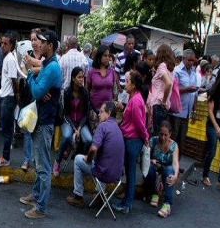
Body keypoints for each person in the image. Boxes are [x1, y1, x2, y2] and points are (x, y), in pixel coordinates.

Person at [18, 30, 62, 219]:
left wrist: (31, 76)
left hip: (44, 122)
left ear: (50, 45)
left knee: (43, 167)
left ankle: (41, 207)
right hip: (40, 120)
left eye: (42, 42)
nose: (39, 45)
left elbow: (36, 91)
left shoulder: (52, 67)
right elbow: (38, 86)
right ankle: (35, 195)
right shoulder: (47, 63)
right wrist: (36, 81)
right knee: (39, 163)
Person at [66, 101, 124, 207]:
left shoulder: (103, 126)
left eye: (101, 112)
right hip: (117, 175)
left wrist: (88, 159)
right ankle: (100, 195)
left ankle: (78, 196)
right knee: (102, 161)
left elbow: (93, 149)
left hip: (104, 174)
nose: (98, 114)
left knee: (78, 159)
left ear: (109, 113)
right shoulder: (117, 128)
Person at [113, 70, 149, 214]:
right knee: (130, 172)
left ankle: (127, 204)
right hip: (132, 138)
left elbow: (140, 124)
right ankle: (126, 202)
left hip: (133, 140)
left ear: (134, 85)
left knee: (131, 173)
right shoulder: (135, 98)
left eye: (128, 81)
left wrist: (145, 137)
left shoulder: (135, 100)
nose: (125, 84)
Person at [54, 66, 91, 176]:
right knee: (66, 136)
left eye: (82, 78)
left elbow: (86, 114)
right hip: (68, 121)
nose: (81, 80)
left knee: (88, 140)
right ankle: (57, 160)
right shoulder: (66, 92)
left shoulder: (85, 93)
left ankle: (82, 162)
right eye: (79, 77)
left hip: (81, 122)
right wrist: (74, 128)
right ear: (73, 78)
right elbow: (64, 113)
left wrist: (79, 127)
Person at [19, 28, 44, 171]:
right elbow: (23, 72)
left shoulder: (45, 57)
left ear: (42, 41)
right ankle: (26, 159)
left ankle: (36, 159)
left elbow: (43, 72)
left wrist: (31, 69)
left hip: (40, 97)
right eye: (32, 40)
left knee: (38, 130)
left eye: (36, 39)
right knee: (28, 128)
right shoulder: (26, 54)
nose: (34, 42)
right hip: (28, 95)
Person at [143, 121, 179, 218]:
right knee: (149, 168)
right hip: (155, 169)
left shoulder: (174, 146)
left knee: (170, 170)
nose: (163, 137)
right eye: (161, 134)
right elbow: (144, 157)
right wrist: (151, 160)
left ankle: (167, 204)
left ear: (170, 134)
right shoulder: (153, 140)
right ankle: (154, 193)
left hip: (166, 171)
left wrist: (175, 175)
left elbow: (175, 162)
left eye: (166, 135)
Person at [0, 31, 18, 167]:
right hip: (6, 97)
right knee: (6, 130)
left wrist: (16, 97)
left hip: (8, 98)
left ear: (11, 45)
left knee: (7, 130)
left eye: (5, 43)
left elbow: (14, 80)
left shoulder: (9, 59)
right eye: (1, 43)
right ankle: (5, 156)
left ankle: (6, 159)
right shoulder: (8, 57)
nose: (2, 45)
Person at [170, 48, 199, 152]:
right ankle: (168, 164)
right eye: (189, 60)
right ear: (183, 59)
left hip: (187, 113)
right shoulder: (177, 71)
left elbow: (195, 93)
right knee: (173, 138)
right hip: (176, 112)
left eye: (193, 61)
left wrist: (194, 111)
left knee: (181, 142)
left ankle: (176, 164)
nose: (191, 63)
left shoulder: (193, 73)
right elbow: (173, 90)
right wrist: (187, 89)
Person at [86, 45, 117, 129]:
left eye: (108, 56)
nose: (107, 58)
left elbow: (114, 91)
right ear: (99, 56)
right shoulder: (91, 72)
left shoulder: (112, 71)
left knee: (107, 135)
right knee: (96, 135)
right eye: (105, 55)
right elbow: (87, 91)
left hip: (108, 112)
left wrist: (113, 103)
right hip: (95, 110)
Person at [148, 44, 175, 134]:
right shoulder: (170, 68)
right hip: (164, 105)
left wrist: (163, 100)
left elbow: (168, 83)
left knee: (157, 133)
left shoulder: (162, 66)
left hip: (159, 104)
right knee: (161, 133)